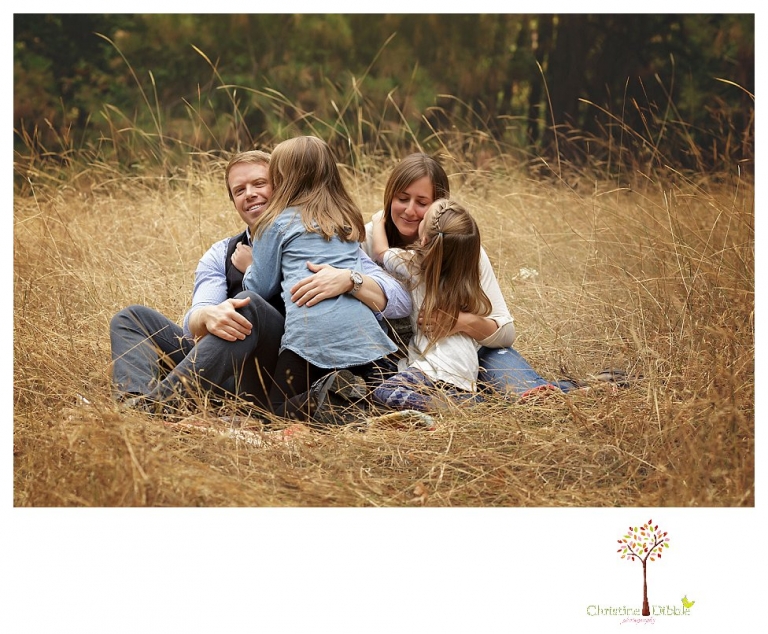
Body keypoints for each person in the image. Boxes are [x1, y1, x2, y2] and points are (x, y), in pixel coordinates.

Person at [109, 148, 411, 416]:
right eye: (239, 190)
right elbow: (195, 317)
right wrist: (209, 315)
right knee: (132, 318)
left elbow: (399, 299)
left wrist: (350, 280)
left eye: (259, 184)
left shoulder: (323, 239)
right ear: (234, 202)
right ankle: (132, 406)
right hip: (220, 366)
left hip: (283, 372)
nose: (249, 194)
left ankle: (158, 406)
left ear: (283, 186)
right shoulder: (221, 253)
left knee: (251, 305)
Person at [360, 152, 593, 401]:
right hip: (412, 361)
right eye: (402, 198)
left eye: (422, 202)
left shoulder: (462, 247)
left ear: (440, 206)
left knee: (528, 396)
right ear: (390, 197)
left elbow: (505, 331)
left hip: (473, 350)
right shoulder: (367, 238)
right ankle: (476, 399)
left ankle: (587, 390)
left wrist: (459, 321)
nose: (409, 210)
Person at [242, 136, 399, 422]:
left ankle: (323, 397)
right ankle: (352, 403)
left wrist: (249, 264)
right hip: (366, 338)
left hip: (311, 338)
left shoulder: (275, 223)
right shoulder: (345, 218)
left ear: (282, 178)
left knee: (274, 417)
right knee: (373, 413)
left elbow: (259, 288)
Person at [370, 198, 495, 411]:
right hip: (463, 364)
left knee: (384, 393)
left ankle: (467, 407)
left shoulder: (413, 265)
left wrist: (378, 221)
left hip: (438, 364)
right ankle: (463, 402)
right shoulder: (466, 278)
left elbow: (380, 253)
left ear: (425, 240)